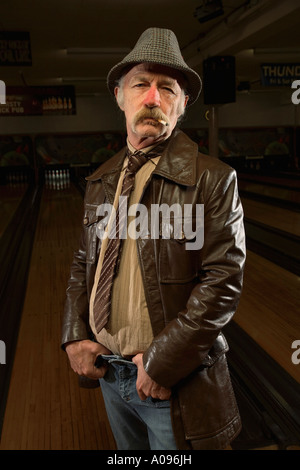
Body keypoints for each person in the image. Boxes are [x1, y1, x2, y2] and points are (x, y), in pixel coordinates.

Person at [61, 27, 246, 451]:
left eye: (167, 89)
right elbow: (82, 263)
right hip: (111, 375)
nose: (152, 98)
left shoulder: (213, 179)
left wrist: (162, 363)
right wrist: (73, 334)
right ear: (119, 95)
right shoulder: (102, 179)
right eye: (141, 84)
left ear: (181, 105)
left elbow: (223, 282)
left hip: (173, 382)